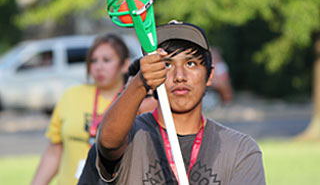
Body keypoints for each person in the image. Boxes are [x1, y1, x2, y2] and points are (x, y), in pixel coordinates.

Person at [94, 20, 266, 184]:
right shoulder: (131, 136)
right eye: (166, 65)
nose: (179, 77)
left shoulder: (240, 150)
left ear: (210, 75)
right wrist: (139, 83)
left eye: (190, 63)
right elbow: (108, 141)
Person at [31, 33, 130, 185]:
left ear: (125, 65)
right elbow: (54, 150)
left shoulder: (133, 102)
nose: (99, 66)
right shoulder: (72, 95)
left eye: (107, 60)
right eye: (93, 60)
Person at [78, 58, 158, 185]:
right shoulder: (102, 148)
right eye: (125, 96)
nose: (133, 106)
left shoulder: (186, 143)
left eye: (145, 96)